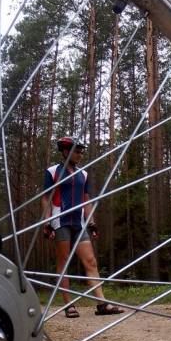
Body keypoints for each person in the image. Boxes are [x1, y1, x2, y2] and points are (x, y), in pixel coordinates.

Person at [42, 136, 123, 318]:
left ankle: (102, 304)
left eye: (81, 151)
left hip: (79, 223)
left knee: (91, 261)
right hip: (60, 221)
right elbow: (46, 198)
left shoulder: (83, 174)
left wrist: (91, 222)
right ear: (65, 152)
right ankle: (68, 305)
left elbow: (86, 200)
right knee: (63, 263)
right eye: (77, 151)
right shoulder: (52, 172)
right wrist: (46, 223)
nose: (80, 154)